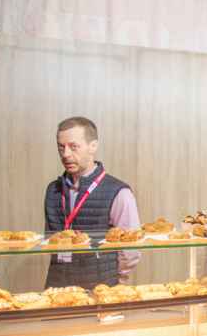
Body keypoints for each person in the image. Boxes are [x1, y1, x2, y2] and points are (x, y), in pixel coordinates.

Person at [44, 117, 140, 288]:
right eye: (61, 147)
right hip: (57, 288)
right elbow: (50, 240)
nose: (66, 154)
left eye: (73, 147)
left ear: (93, 146)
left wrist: (115, 285)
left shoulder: (119, 192)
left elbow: (130, 250)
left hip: (101, 289)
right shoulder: (53, 190)